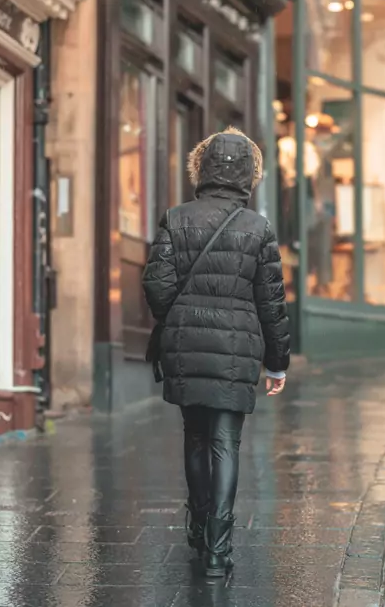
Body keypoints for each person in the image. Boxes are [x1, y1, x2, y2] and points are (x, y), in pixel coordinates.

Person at [142, 127, 291, 577]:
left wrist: (178, 314)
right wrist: (278, 362)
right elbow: (273, 303)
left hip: (185, 346)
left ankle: (199, 525)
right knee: (226, 443)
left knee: (194, 437)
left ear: (201, 168)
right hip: (237, 350)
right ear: (250, 174)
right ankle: (218, 553)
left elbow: (156, 284)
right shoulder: (258, 229)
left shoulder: (176, 217)